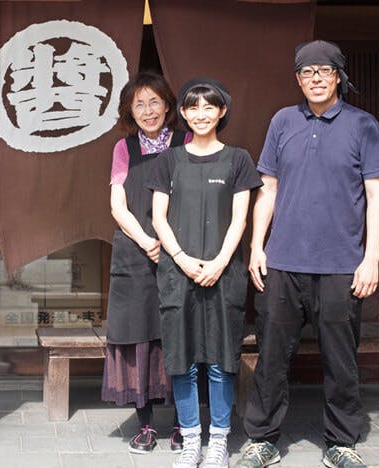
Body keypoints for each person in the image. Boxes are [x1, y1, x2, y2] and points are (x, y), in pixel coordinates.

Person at [235, 40, 379, 468]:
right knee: (271, 356)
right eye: (307, 72)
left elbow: (376, 197)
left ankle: (341, 442)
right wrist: (257, 246)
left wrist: (371, 258)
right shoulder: (283, 121)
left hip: (342, 266)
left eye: (324, 70)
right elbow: (267, 189)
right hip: (282, 262)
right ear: (298, 79)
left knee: (341, 360)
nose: (316, 78)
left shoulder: (363, 125)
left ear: (338, 76)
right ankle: (262, 440)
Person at [149, 79, 263, 468]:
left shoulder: (238, 159)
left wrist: (219, 262)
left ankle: (218, 441)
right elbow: (159, 218)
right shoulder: (168, 161)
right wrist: (181, 258)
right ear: (182, 113)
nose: (201, 115)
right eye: (193, 107)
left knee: (220, 359)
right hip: (178, 273)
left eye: (209, 107)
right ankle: (190, 440)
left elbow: (240, 219)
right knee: (181, 360)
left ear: (222, 111)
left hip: (223, 273)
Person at [101, 71, 190, 454]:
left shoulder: (186, 142)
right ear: (130, 110)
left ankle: (184, 423)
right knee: (140, 335)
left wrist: (170, 245)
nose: (148, 110)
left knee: (180, 335)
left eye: (155, 102)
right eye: (139, 104)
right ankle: (146, 424)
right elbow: (117, 205)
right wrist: (145, 240)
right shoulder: (124, 148)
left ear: (168, 106)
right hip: (136, 253)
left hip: (181, 252)